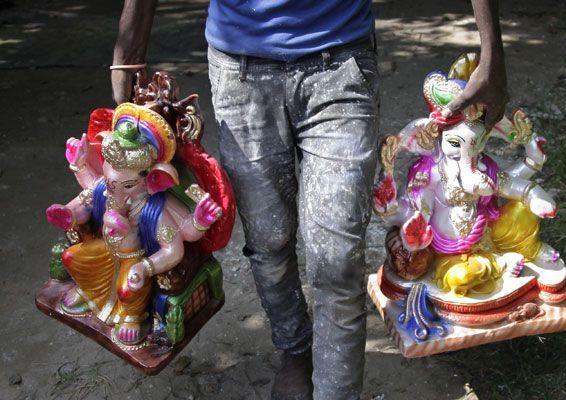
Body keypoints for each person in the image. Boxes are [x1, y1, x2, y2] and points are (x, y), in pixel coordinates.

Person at [111, 1, 508, 399]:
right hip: (239, 70)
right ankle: (296, 348)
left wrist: (492, 54)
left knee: (335, 258)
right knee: (268, 237)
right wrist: (129, 52)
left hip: (341, 62)